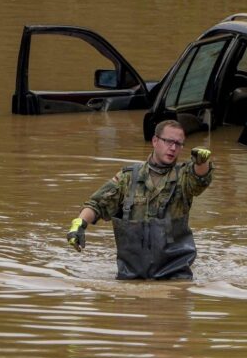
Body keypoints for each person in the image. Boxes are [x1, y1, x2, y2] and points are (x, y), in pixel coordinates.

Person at [65, 120, 213, 280]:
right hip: (131, 275)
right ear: (155, 141)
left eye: (178, 144)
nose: (173, 148)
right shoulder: (128, 177)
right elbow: (97, 204)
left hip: (175, 276)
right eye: (168, 141)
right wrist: (79, 224)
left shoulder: (184, 177)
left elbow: (200, 179)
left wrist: (202, 162)